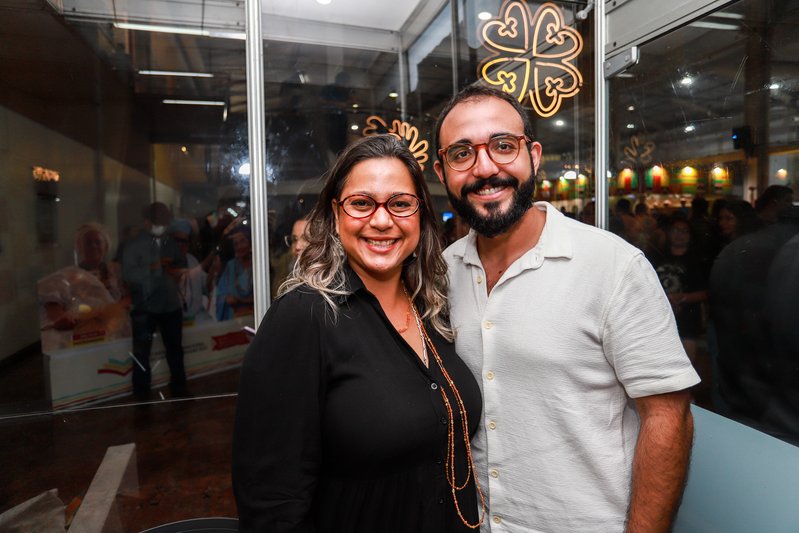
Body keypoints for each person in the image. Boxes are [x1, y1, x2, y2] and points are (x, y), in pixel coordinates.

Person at [432, 85, 700, 532]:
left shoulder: (612, 266)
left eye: (503, 146)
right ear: (442, 172)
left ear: (533, 156)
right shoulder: (442, 272)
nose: (485, 168)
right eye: (462, 153)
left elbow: (668, 415)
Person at [232, 134, 484, 532]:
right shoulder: (303, 317)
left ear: (420, 215)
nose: (382, 221)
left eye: (400, 204)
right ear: (336, 214)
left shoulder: (432, 307)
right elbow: (271, 500)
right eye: (362, 203)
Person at [122, 202, 188, 399]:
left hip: (170, 305)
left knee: (175, 349)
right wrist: (154, 267)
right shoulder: (134, 244)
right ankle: (141, 394)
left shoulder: (170, 242)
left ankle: (179, 388)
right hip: (145, 306)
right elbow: (128, 274)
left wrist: (176, 271)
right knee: (142, 353)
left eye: (165, 222)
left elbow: (182, 265)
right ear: (147, 222)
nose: (162, 226)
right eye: (158, 222)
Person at [214, 224, 254, 320]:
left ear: (250, 242)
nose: (239, 246)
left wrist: (241, 301)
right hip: (234, 319)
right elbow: (221, 295)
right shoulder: (230, 266)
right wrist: (227, 298)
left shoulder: (259, 265)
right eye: (236, 244)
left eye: (242, 241)